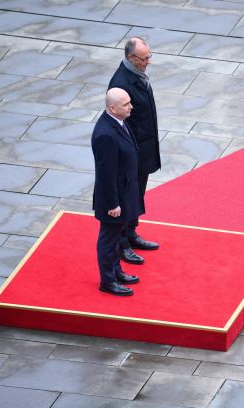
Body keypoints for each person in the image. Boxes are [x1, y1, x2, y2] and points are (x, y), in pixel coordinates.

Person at [108, 36, 160, 265]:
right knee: (128, 198)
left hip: (144, 148)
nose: (148, 62)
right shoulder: (121, 85)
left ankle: (131, 233)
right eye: (144, 58)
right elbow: (119, 125)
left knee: (137, 196)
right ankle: (123, 244)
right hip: (132, 153)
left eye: (149, 56)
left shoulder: (137, 74)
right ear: (130, 58)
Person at [91, 88, 144, 296]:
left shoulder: (119, 122)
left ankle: (116, 271)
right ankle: (108, 281)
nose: (131, 107)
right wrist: (113, 203)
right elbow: (105, 174)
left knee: (115, 237)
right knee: (108, 239)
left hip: (124, 193)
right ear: (112, 108)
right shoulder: (105, 134)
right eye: (126, 104)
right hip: (113, 199)